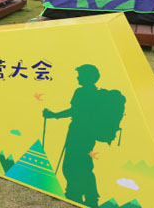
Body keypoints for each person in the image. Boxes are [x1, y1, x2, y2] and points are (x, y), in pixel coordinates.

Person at [43, 64, 102, 208]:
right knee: (83, 165)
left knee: (72, 165)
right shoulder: (95, 93)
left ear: (88, 77)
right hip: (88, 134)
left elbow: (74, 111)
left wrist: (53, 115)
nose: (78, 77)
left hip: (78, 132)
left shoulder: (81, 92)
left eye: (80, 75)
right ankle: (88, 197)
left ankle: (77, 195)